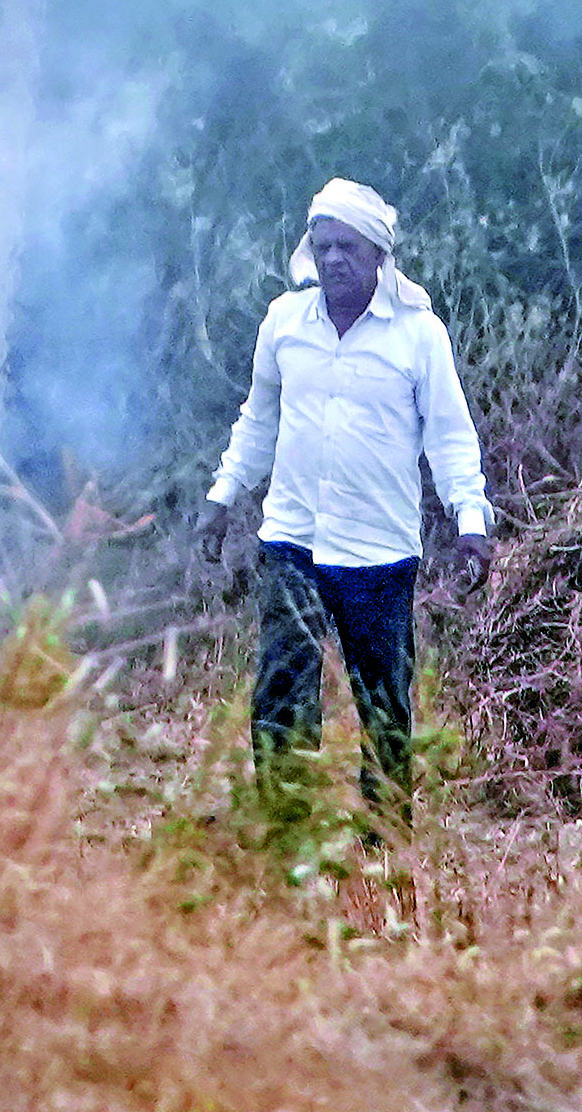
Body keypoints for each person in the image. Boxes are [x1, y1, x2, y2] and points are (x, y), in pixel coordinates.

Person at [196, 178, 491, 831]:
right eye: (322, 245)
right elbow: (258, 420)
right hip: (292, 541)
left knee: (384, 704)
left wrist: (470, 520)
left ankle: (385, 841)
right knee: (282, 691)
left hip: (378, 551)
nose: (333, 259)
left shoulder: (418, 334)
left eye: (347, 247)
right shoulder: (284, 323)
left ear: (378, 254)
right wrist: (222, 495)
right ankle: (286, 828)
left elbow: (448, 434)